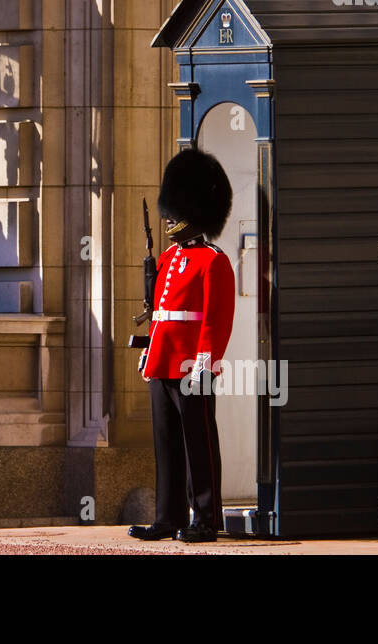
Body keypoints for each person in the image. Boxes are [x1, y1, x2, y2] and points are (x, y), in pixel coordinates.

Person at [129, 147, 234, 543]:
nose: (169, 217)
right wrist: (149, 355)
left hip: (193, 365)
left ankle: (205, 518)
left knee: (198, 443)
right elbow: (159, 315)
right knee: (167, 443)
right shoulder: (170, 258)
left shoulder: (213, 261)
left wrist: (205, 364)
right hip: (163, 362)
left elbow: (216, 321)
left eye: (176, 209)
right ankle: (167, 517)